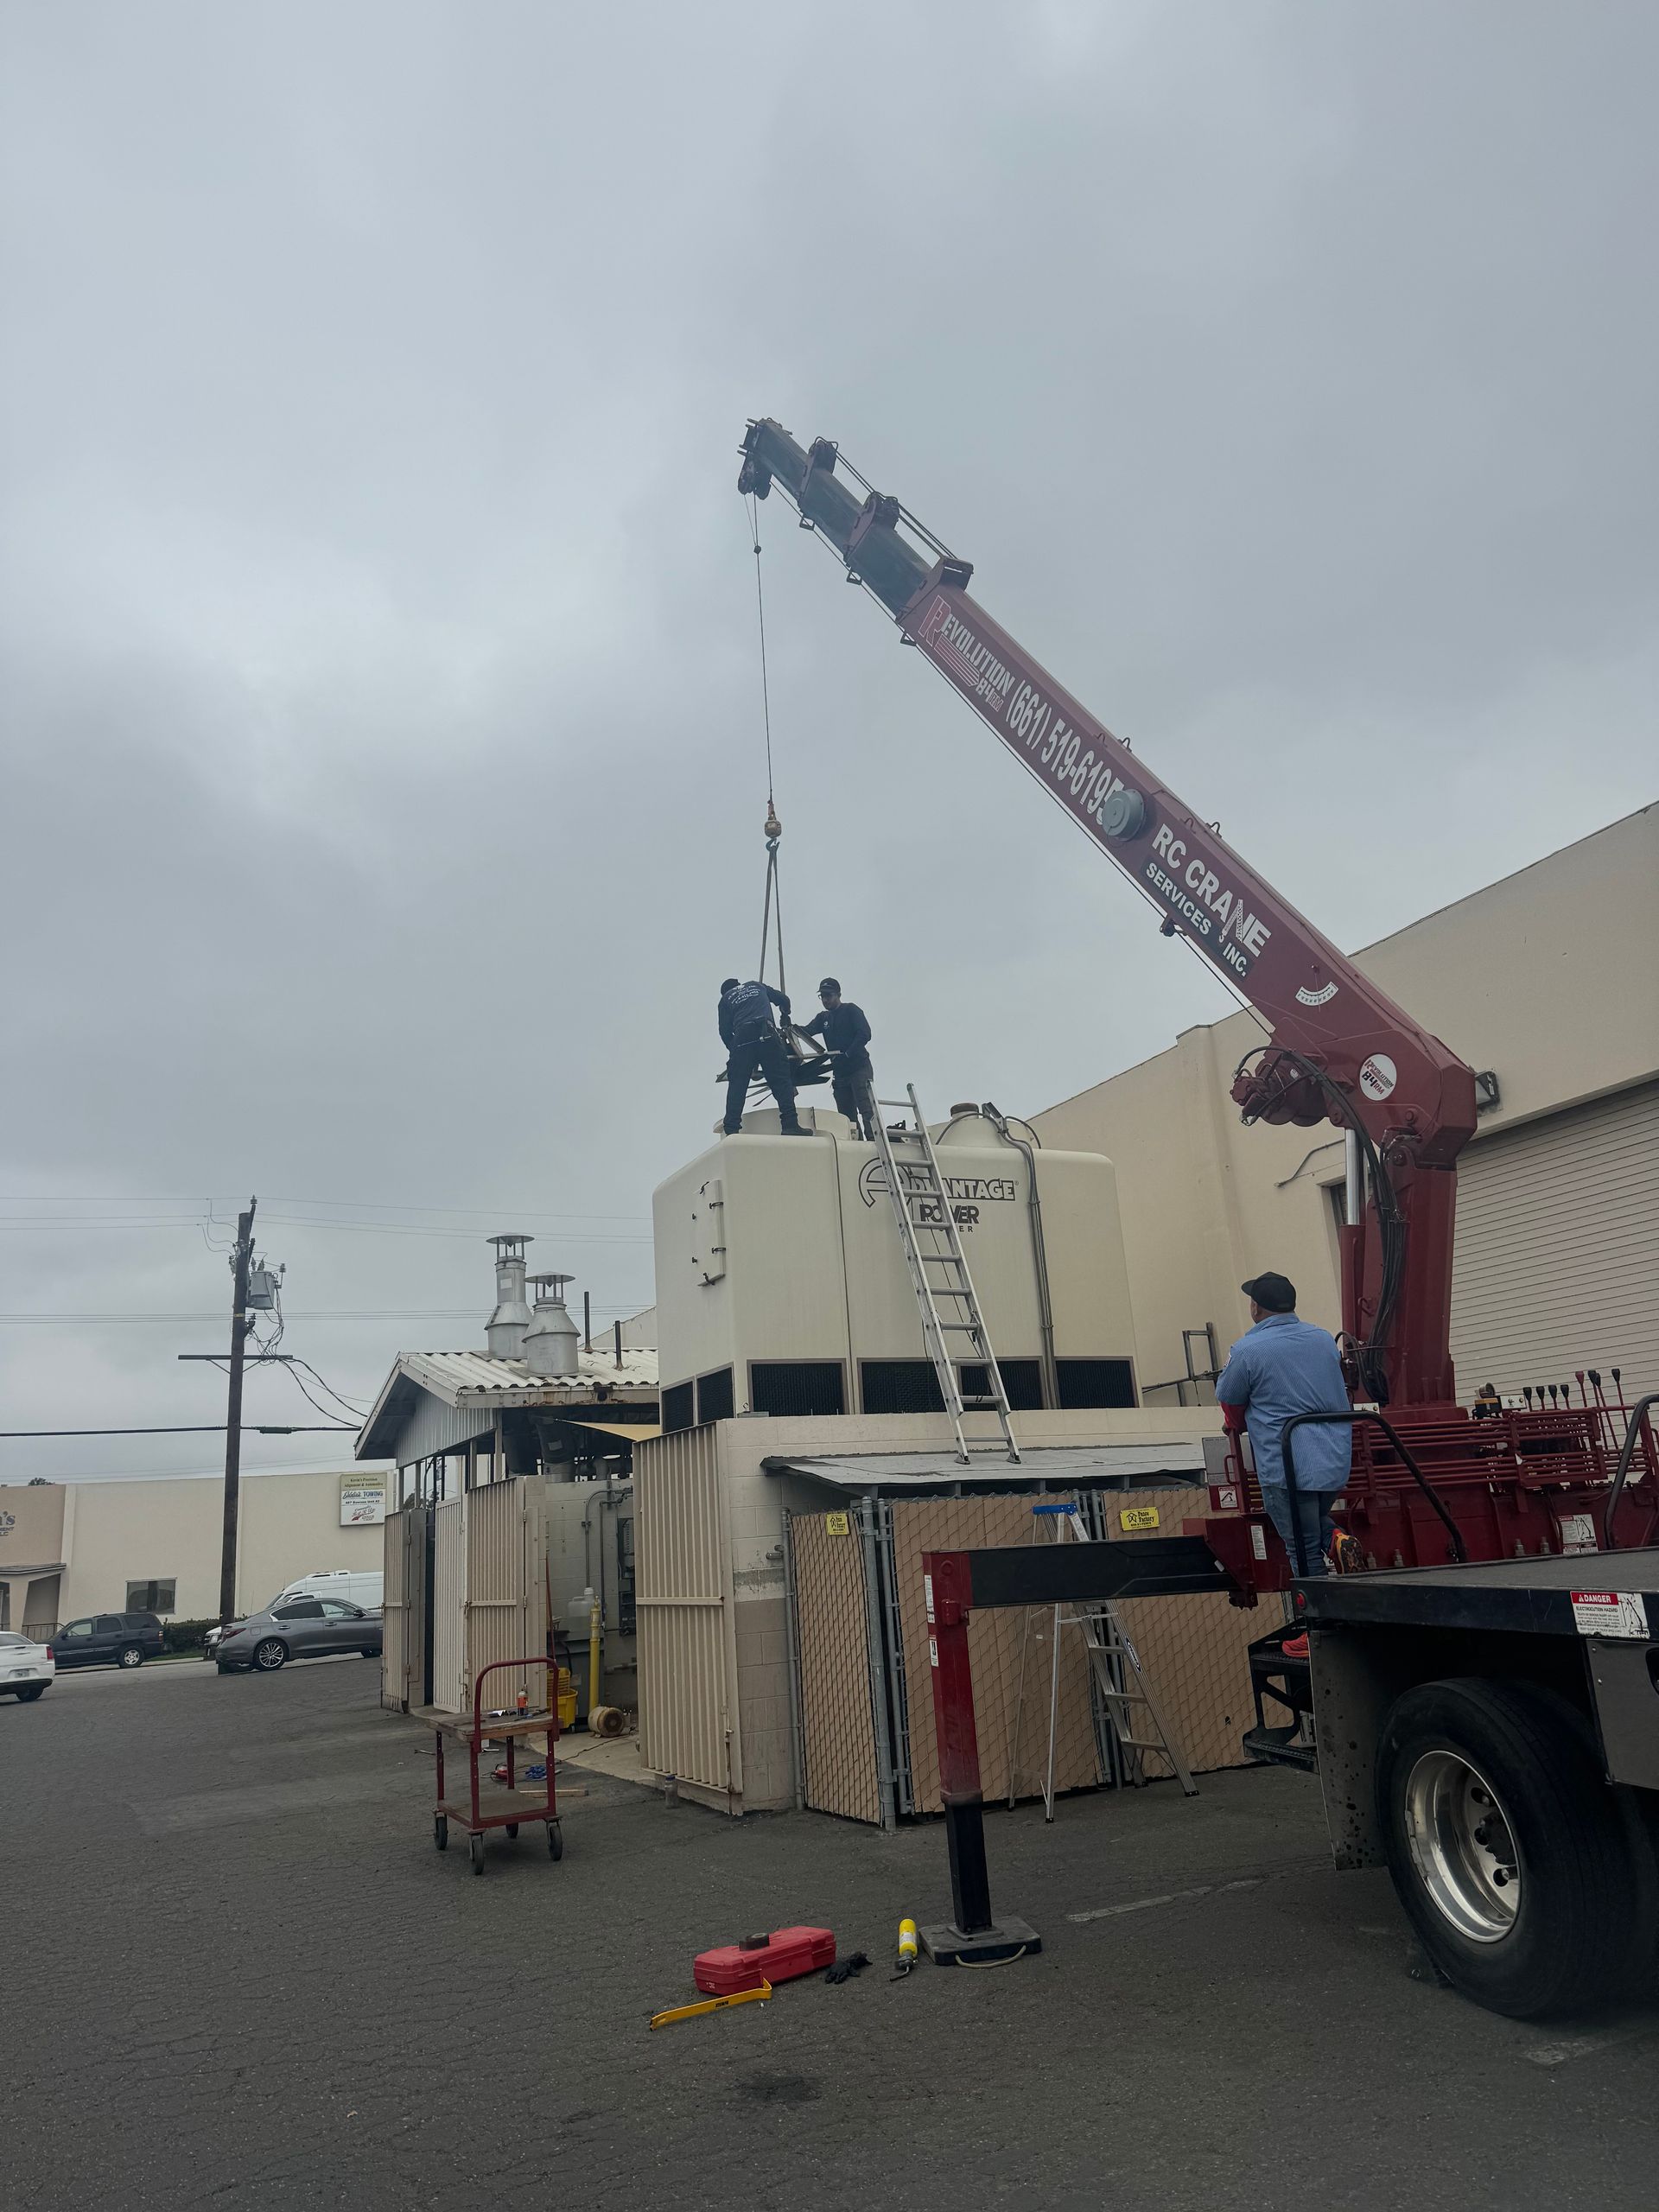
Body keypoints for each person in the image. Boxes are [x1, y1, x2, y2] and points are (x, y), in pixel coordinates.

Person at [1215, 1272, 1351, 1581]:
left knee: (1301, 1547)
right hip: (1333, 1461)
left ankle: (1319, 1623)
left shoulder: (1248, 1350)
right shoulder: (1322, 1338)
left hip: (1287, 1466)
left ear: (1256, 1309)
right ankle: (1337, 1540)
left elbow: (1228, 1396)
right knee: (1312, 1523)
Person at [718, 976, 805, 1136]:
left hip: (742, 1036)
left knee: (737, 1086)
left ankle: (731, 1130)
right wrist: (785, 1014)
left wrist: (737, 1052)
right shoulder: (757, 985)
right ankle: (790, 1126)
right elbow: (783, 1000)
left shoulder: (725, 999)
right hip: (766, 1033)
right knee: (781, 1081)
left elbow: (724, 1032)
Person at [800, 977, 875, 1139]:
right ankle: (857, 1146)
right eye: (822, 996)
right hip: (840, 1073)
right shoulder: (823, 1018)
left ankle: (874, 1142)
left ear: (838, 994)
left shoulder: (851, 1010)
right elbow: (807, 1031)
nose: (825, 1000)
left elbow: (865, 1034)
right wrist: (789, 1028)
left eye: (829, 995)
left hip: (858, 1067)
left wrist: (848, 1053)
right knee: (846, 1117)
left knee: (866, 1108)